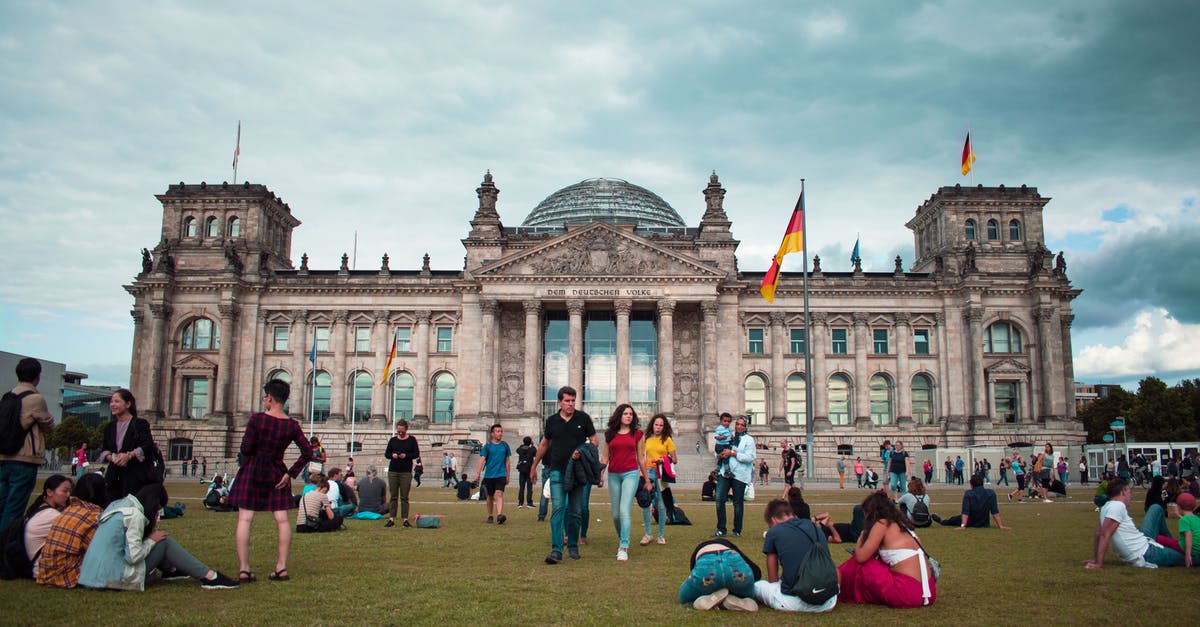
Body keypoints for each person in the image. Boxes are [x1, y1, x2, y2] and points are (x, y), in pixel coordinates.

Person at [228, 378, 314, 583]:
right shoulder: (291, 425)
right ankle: (281, 567)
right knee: (282, 520)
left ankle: (244, 569)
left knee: (245, 519)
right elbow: (308, 452)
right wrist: (290, 473)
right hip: (277, 472)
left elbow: (246, 448)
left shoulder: (257, 420)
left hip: (252, 470)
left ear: (269, 397)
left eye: (265, 396)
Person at [79, 483, 239, 590]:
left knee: (158, 538)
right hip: (112, 578)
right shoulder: (134, 515)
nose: (158, 516)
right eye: (157, 510)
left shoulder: (120, 505)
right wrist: (151, 541)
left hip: (91, 576)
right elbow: (133, 557)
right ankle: (209, 576)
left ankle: (170, 570)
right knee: (164, 541)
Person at [531, 386, 597, 564]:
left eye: (573, 400)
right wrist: (534, 466)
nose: (570, 404)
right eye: (567, 401)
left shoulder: (583, 418)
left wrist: (582, 452)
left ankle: (573, 546)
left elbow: (595, 441)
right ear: (559, 402)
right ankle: (556, 550)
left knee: (575, 512)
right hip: (557, 471)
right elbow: (544, 444)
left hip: (577, 472)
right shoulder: (552, 421)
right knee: (558, 510)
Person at [837, 491, 937, 608]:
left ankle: (837, 584)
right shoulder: (902, 525)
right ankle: (837, 582)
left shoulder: (882, 524)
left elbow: (861, 557)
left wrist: (862, 536)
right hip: (929, 592)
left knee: (863, 564)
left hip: (906, 592)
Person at [752, 499, 836, 612]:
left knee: (758, 586)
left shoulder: (775, 531)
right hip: (828, 600)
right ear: (794, 515)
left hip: (794, 602)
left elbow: (773, 579)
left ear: (774, 520)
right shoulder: (814, 526)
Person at [0, 358, 55, 531]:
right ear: (37, 377)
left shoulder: (8, 396)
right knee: (14, 509)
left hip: (4, 457)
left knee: (2, 503)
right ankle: (5, 549)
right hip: (24, 458)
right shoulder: (35, 399)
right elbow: (48, 423)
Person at [1086, 478, 1183, 569]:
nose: (1130, 496)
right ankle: (1178, 546)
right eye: (1129, 492)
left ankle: (1172, 543)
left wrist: (1096, 559)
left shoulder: (1107, 506)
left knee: (1156, 508)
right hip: (1145, 553)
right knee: (1186, 557)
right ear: (1123, 491)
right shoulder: (1117, 506)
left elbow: (1098, 533)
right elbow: (1104, 534)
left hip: (1143, 541)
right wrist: (1098, 563)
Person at [36, 473, 108, 588]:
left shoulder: (68, 510)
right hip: (67, 576)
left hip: (45, 573)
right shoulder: (93, 516)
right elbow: (99, 551)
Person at [599, 403, 648, 562]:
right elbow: (605, 457)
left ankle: (623, 546)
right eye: (626, 413)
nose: (628, 416)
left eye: (631, 414)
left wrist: (646, 478)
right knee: (615, 515)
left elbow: (641, 458)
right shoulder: (609, 434)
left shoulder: (638, 434)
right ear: (619, 415)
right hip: (613, 474)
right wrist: (600, 475)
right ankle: (622, 538)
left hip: (630, 474)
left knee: (624, 510)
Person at [97, 389, 158, 501]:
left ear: (128, 404)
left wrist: (129, 455)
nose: (113, 405)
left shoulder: (140, 424)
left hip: (136, 475)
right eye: (111, 401)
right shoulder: (109, 427)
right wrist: (111, 457)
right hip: (114, 476)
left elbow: (147, 445)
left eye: (117, 401)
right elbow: (105, 449)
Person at [679, 537, 762, 611]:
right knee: (749, 591)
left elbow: (694, 578)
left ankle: (708, 598)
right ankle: (737, 598)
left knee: (684, 596)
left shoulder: (700, 549)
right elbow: (756, 572)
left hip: (706, 563)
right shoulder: (730, 547)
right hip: (735, 563)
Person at [24, 475, 73, 580]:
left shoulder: (39, 508)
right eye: (65, 491)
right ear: (49, 492)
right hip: (44, 570)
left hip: (37, 566)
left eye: (69, 491)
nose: (68, 495)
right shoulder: (51, 515)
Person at [715, 416, 756, 538]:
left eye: (741, 425)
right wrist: (719, 455)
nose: (738, 426)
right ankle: (721, 528)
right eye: (737, 424)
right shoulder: (729, 436)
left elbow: (750, 457)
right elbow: (718, 447)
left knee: (737, 503)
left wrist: (733, 453)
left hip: (740, 474)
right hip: (725, 473)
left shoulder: (749, 440)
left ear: (745, 427)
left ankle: (737, 529)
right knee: (719, 499)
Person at [640, 413, 677, 546]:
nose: (658, 427)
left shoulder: (667, 439)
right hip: (648, 472)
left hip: (661, 473)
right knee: (645, 502)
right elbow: (641, 457)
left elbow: (674, 459)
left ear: (664, 427)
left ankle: (661, 535)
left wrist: (662, 460)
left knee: (661, 505)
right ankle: (648, 534)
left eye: (661, 425)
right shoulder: (646, 438)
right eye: (656, 424)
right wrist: (641, 471)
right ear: (652, 425)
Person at [932, 474, 1011, 529]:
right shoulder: (991, 493)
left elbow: (965, 511)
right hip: (984, 522)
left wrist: (963, 525)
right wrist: (1000, 525)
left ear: (971, 484)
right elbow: (995, 511)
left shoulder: (969, 493)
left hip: (970, 521)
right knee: (955, 519)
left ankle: (942, 521)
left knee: (953, 519)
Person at [384, 419, 420, 528]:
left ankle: (405, 519)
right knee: (393, 496)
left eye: (402, 431)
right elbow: (387, 454)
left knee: (404, 497)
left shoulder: (412, 440)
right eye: (398, 431)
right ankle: (391, 518)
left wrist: (406, 456)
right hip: (393, 471)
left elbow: (416, 454)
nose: (400, 433)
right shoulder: (393, 440)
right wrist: (393, 455)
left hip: (405, 472)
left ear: (406, 429)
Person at [474, 423, 511, 524]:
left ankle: (499, 515)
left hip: (501, 474)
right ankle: (490, 515)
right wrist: (477, 473)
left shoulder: (505, 445)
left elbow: (507, 461)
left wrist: (508, 475)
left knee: (499, 494)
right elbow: (482, 460)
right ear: (492, 434)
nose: (500, 433)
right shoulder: (487, 446)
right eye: (498, 431)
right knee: (490, 496)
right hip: (489, 475)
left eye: (501, 431)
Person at [1175, 492, 1197, 568]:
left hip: (1189, 549)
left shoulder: (1184, 520)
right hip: (1198, 549)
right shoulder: (1197, 519)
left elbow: (1188, 535)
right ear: (1194, 507)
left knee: (1160, 538)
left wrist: (1188, 555)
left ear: (1179, 507)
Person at [516, 435, 537, 508]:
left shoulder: (520, 449)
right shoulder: (532, 449)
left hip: (521, 469)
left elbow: (517, 449)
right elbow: (535, 453)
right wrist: (533, 445)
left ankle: (520, 503)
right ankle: (529, 503)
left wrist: (523, 444)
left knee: (521, 487)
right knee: (529, 487)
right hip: (529, 469)